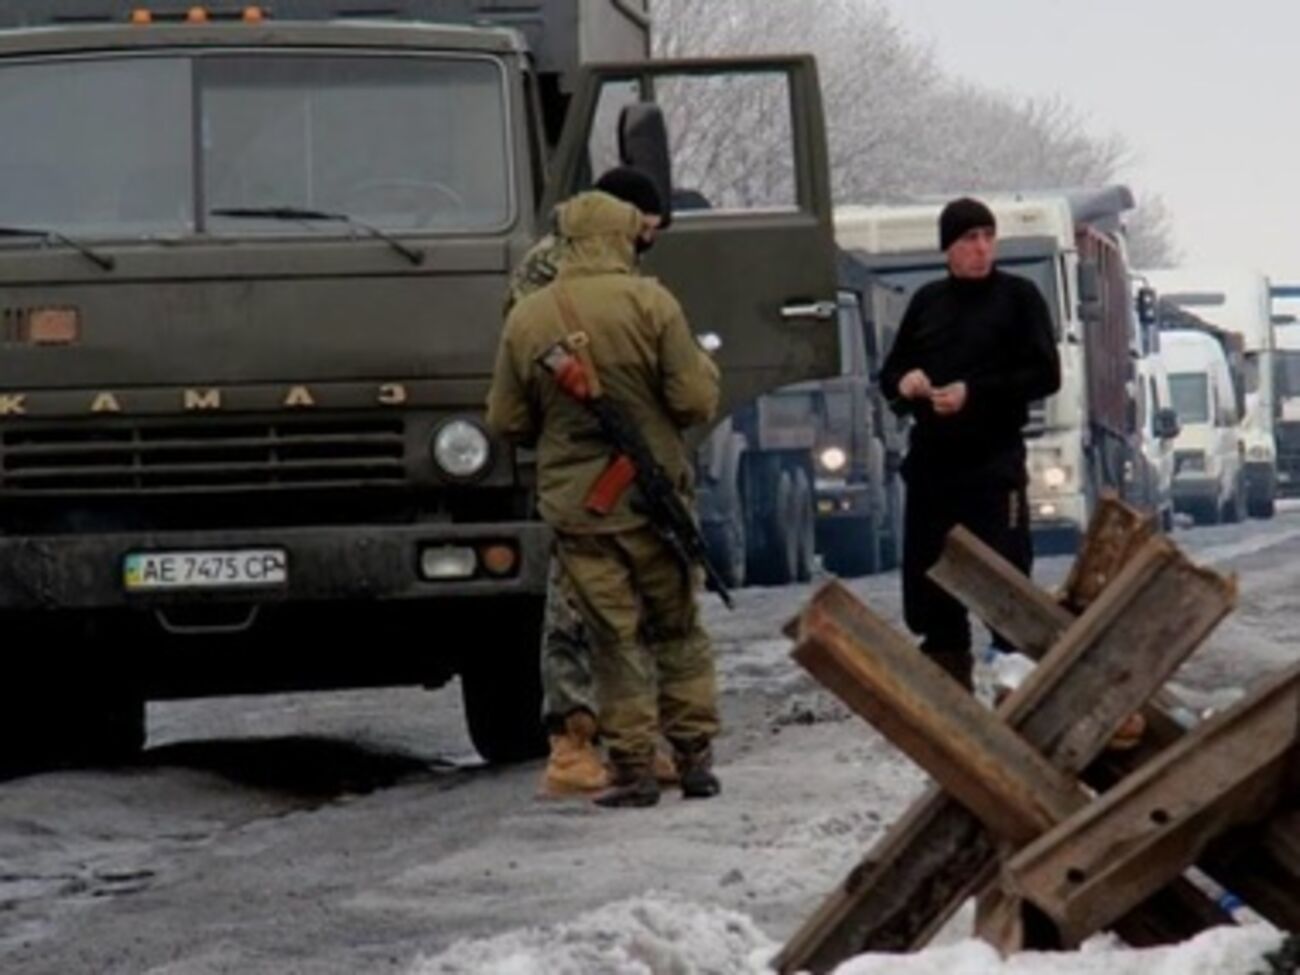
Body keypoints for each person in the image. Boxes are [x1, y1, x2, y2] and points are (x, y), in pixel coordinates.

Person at [487, 188, 722, 808]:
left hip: (581, 510)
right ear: (623, 233)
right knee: (677, 629)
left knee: (612, 636)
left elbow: (507, 421)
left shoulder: (529, 315)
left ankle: (635, 768)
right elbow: (695, 401)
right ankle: (695, 757)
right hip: (657, 500)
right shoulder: (653, 301)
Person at [878, 196, 1061, 690]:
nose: (981, 249)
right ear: (948, 250)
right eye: (968, 240)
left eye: (987, 237)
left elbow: (1046, 373)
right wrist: (907, 383)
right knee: (931, 582)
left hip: (993, 464)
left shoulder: (1019, 298)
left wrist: (973, 393)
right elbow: (891, 371)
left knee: (1003, 576)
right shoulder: (928, 302)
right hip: (934, 469)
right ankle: (947, 686)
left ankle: (1013, 684)